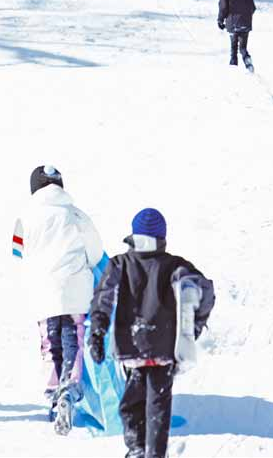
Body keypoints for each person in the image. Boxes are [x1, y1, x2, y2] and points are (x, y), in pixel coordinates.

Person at [88, 208, 215, 458]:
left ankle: (136, 448)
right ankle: (154, 453)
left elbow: (103, 298)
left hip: (131, 346)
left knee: (131, 402)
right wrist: (195, 326)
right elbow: (205, 291)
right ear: (162, 237)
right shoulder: (175, 266)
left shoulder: (120, 264)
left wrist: (97, 333)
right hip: (164, 348)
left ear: (134, 235)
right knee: (158, 403)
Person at [12, 165, 104, 433]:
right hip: (76, 291)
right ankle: (70, 387)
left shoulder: (24, 218)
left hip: (43, 293)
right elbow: (95, 252)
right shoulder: (75, 214)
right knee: (73, 339)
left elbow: (18, 252)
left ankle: (52, 392)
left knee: (50, 342)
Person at [217, 0, 256, 70]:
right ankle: (247, 61)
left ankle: (233, 69)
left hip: (233, 26)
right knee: (243, 48)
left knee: (233, 49)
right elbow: (252, 8)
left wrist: (220, 20)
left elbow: (223, 9)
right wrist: (246, 17)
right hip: (245, 26)